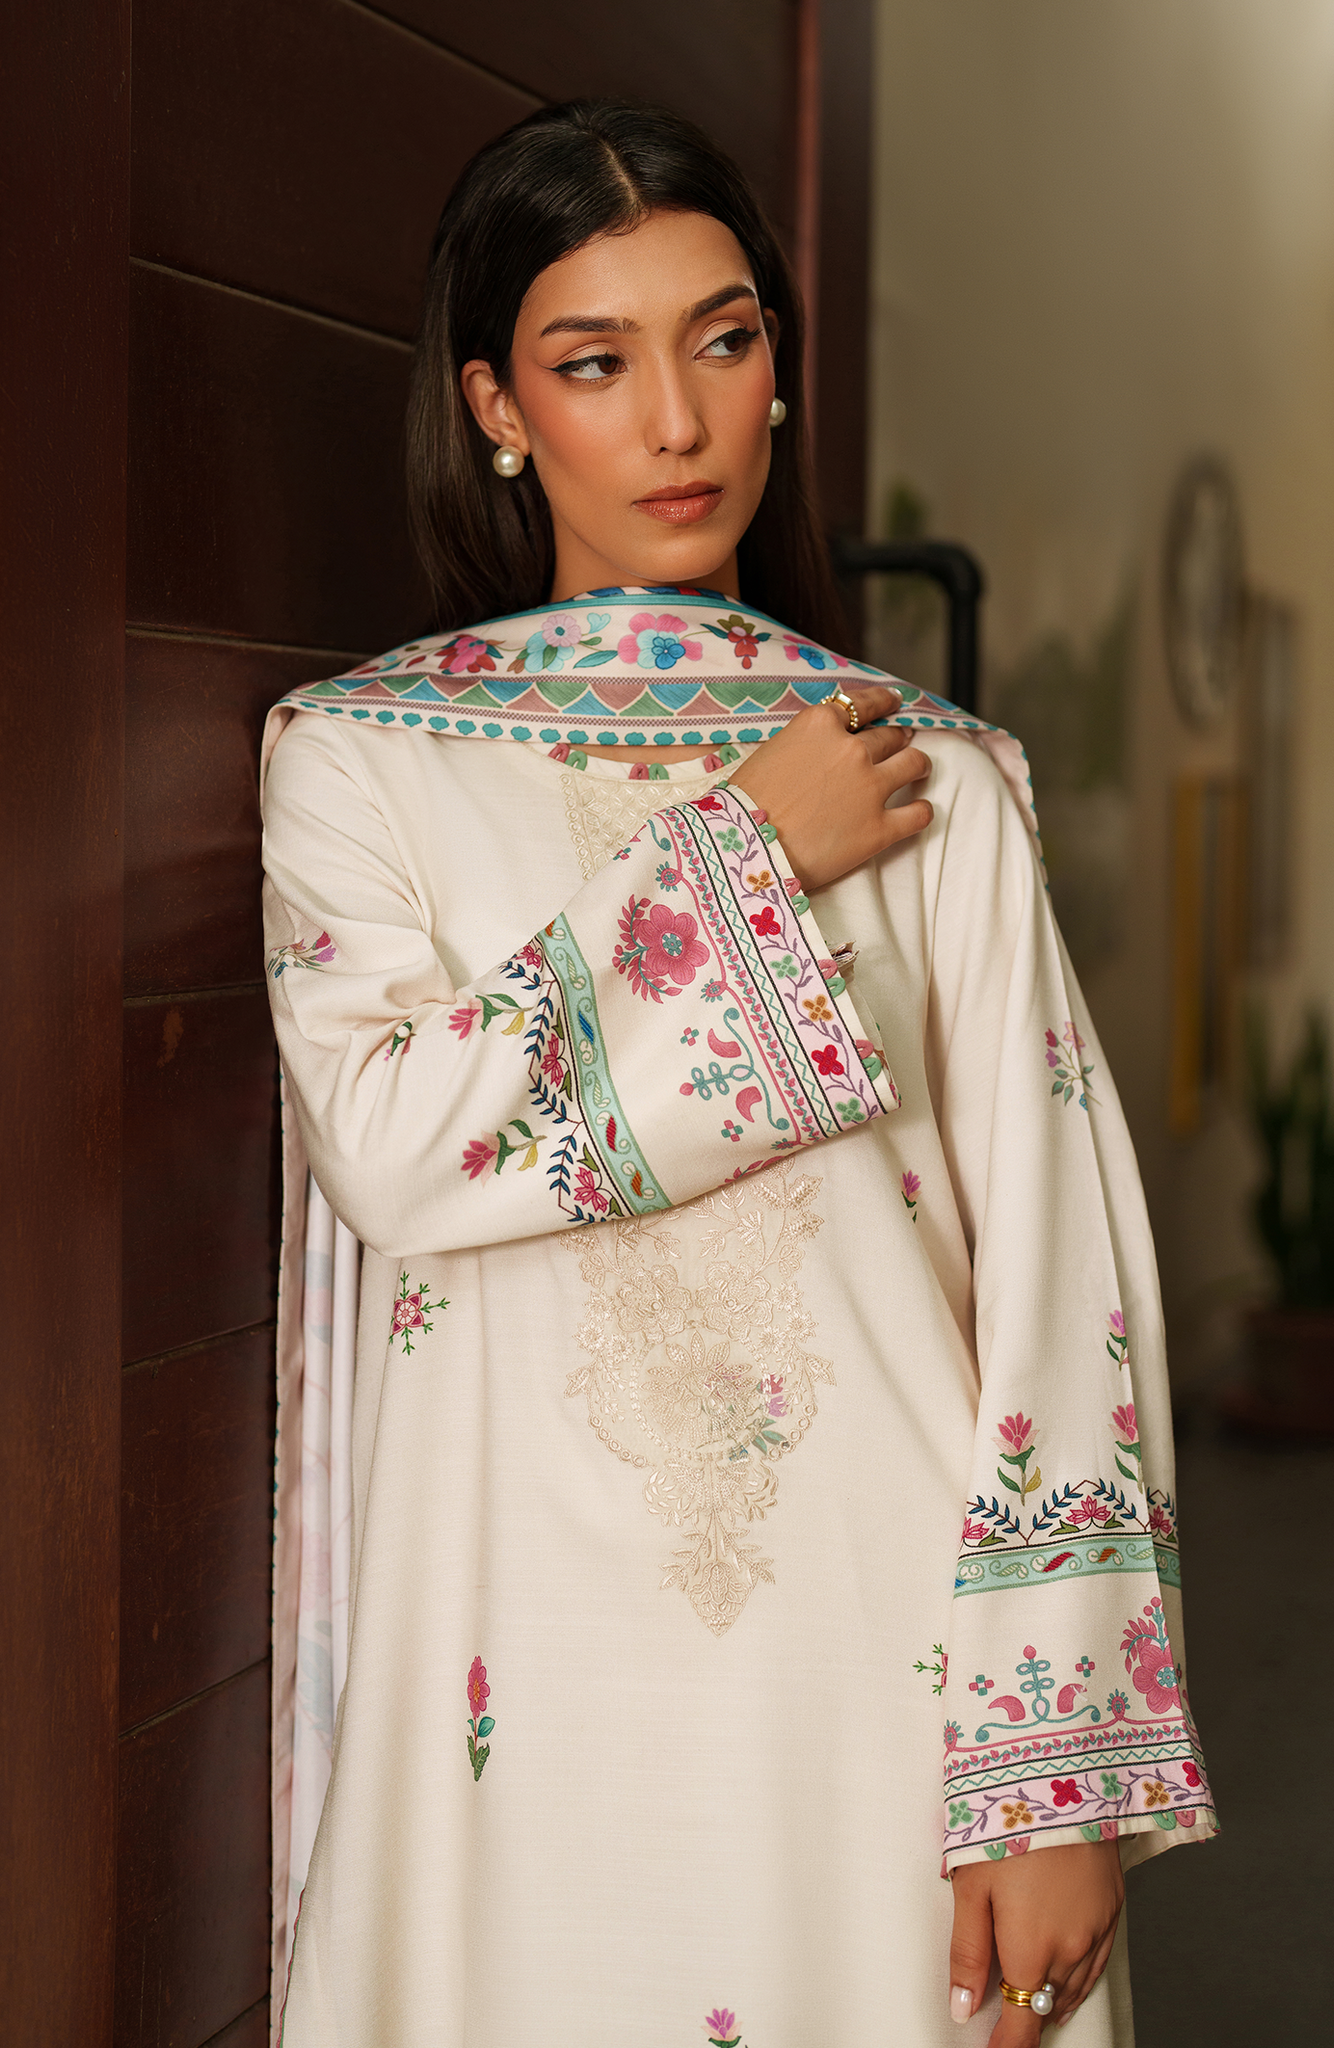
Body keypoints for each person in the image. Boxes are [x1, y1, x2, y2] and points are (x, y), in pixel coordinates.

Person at [261, 100, 1215, 2048]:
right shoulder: (359, 761)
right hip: (516, 1671)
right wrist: (749, 854)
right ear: (496, 406)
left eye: (721, 340)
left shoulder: (940, 780)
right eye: (594, 363)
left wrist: (1052, 1781)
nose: (677, 421)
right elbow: (393, 1148)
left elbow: (1059, 1290)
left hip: (883, 1670)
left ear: (778, 364)